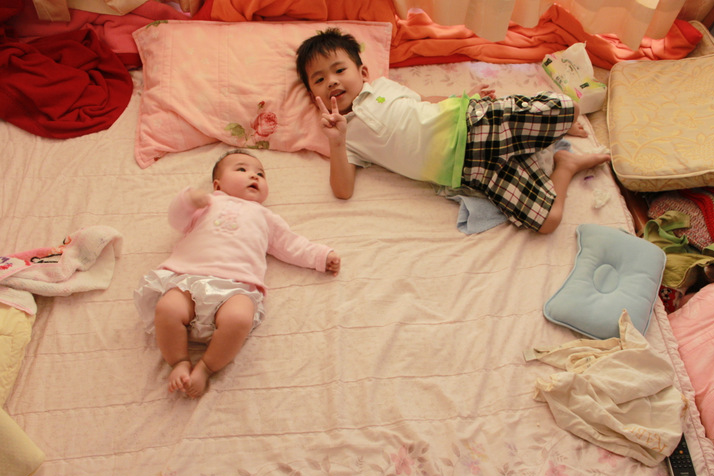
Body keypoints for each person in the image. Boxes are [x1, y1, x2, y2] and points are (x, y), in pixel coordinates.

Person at [295, 28, 611, 234]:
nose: (332, 82)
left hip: (474, 124)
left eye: (339, 70)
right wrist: (337, 142)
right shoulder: (343, 135)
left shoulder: (381, 87)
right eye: (320, 80)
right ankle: (565, 165)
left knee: (567, 107)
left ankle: (555, 130)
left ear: (363, 72)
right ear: (312, 95)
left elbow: (423, 101)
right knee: (547, 222)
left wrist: (465, 96)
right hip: (471, 172)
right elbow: (343, 190)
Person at [134, 149, 341, 398]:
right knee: (167, 309)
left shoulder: (266, 217)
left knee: (239, 319)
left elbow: (291, 244)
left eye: (260, 174)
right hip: (189, 276)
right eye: (242, 169)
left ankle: (207, 367)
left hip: (237, 285)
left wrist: (320, 256)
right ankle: (178, 361)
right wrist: (189, 200)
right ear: (217, 185)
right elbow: (177, 220)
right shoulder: (208, 204)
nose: (254, 176)